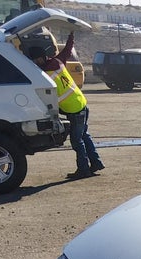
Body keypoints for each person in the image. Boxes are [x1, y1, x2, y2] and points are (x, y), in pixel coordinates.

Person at [27, 33, 104, 180]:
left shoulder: (43, 74)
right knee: (84, 136)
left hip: (74, 109)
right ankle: (96, 163)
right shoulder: (58, 61)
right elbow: (67, 50)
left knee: (77, 140)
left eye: (35, 60)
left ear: (40, 58)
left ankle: (83, 170)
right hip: (81, 103)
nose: (35, 63)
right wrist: (71, 36)